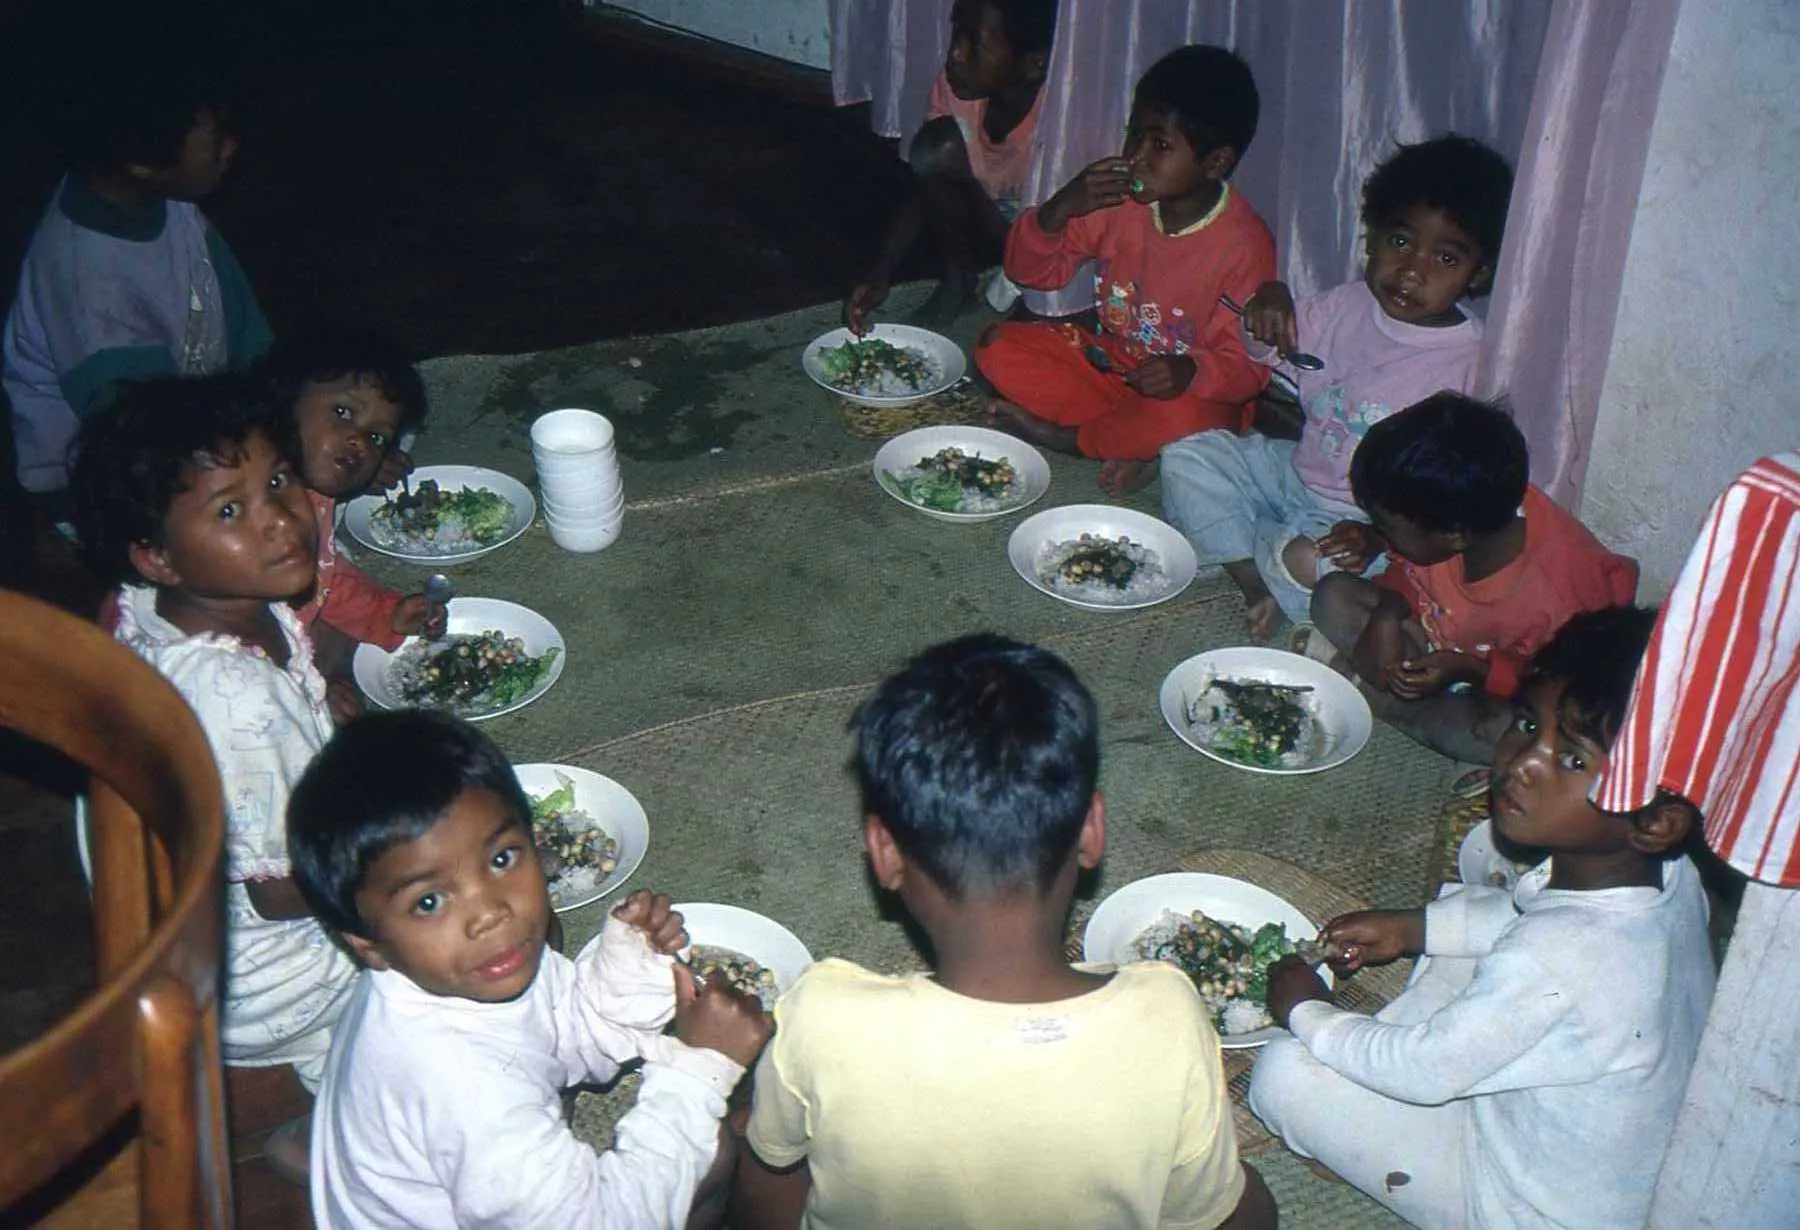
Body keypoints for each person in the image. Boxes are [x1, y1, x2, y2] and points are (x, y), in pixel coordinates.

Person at [733, 634, 1277, 1229]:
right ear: (1092, 829)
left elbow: (769, 1189)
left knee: (747, 1129)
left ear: (883, 852)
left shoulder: (822, 1016)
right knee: (1248, 1200)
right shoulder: (1168, 1013)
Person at [1248, 607, 1717, 1229]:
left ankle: (1370, 1130)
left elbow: (1423, 1068)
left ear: (1655, 822)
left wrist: (1308, 1011)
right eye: (1528, 724)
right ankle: (1384, 1074)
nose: (1523, 761)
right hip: (1595, 1161)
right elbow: (1529, 918)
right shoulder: (1675, 877)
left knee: (1282, 1073)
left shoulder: (1564, 957)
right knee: (1460, 922)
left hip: (1521, 1206)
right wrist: (1416, 926)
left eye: (1573, 761)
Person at [289, 710, 770, 1228]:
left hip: (468, 1166)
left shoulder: (455, 970)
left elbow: (569, 1032)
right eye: (428, 902)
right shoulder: (463, 1089)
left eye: (501, 859)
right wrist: (700, 1068)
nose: (490, 912)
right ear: (368, 945)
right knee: (712, 1155)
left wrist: (628, 972)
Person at [66, 373, 356, 1180]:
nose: (279, 519)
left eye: (276, 482)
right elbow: (286, 887)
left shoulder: (159, 605)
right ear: (156, 555)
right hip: (275, 973)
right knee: (458, 967)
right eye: (230, 511)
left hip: (191, 932)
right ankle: (338, 1142)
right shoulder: (235, 699)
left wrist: (318, 711)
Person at [1160, 135, 1515, 640]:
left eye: (1445, 259)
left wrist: (1378, 537)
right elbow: (1263, 350)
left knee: (1306, 562)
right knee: (1186, 457)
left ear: (1478, 275)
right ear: (1371, 239)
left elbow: (1444, 501)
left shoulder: (1469, 362)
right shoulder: (1345, 305)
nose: (1412, 270)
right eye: (1400, 242)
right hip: (1294, 470)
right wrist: (1268, 304)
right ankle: (1251, 576)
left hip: (1363, 519)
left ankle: (1239, 545)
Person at [977, 45, 1275, 497]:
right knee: (996, 345)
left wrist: (1189, 371)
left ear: (1215, 163)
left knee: (1184, 419)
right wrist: (1057, 211)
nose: (1135, 155)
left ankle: (1076, 438)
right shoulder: (1120, 200)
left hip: (1193, 397)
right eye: (1133, 134)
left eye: (1159, 145)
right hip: (1115, 369)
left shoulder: (1244, 244)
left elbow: (1248, 368)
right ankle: (1137, 443)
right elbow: (1031, 273)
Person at [4, 35, 271, 512]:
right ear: (143, 163)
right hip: (104, 482)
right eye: (215, 138)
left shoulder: (168, 206)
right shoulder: (90, 284)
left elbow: (247, 334)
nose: (232, 146)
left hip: (194, 426)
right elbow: (139, 438)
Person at [1310, 392, 1638, 764]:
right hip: (1438, 632)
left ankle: (1379, 701)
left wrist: (1470, 670)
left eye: (1386, 527)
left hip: (1515, 679)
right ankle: (1381, 686)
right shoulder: (1462, 512)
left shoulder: (1556, 597)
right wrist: (1390, 606)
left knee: (1502, 732)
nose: (1379, 534)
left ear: (1455, 535)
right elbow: (1409, 569)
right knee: (1332, 596)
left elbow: (1557, 690)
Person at [844, 0, 1058, 333]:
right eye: (957, 32)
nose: (955, 54)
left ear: (1033, 64)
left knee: (1022, 345)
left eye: (975, 43)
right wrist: (881, 271)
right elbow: (926, 183)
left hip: (1045, 242)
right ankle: (958, 278)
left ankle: (1027, 302)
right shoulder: (955, 89)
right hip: (988, 223)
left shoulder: (1059, 118)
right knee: (934, 148)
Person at [264, 329, 441, 718]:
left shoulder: (311, 498)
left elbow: (326, 579)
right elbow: (234, 635)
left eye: (378, 436)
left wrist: (386, 614)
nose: (360, 439)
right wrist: (303, 694)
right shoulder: (257, 511)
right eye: (343, 413)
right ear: (282, 402)